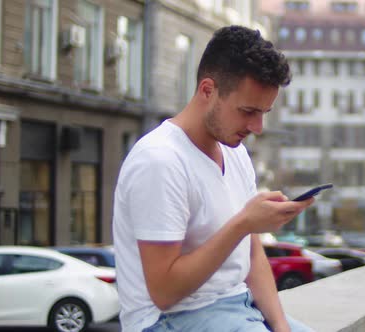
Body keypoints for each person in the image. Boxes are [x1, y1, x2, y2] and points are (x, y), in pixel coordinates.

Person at [113, 25, 315, 332]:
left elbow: (252, 252)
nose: (257, 126)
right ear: (208, 90)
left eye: (264, 112)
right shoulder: (160, 160)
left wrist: (280, 325)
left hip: (238, 306)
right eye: (248, 111)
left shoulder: (235, 153)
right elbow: (164, 293)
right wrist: (244, 224)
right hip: (166, 320)